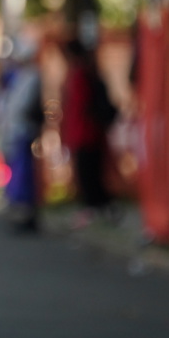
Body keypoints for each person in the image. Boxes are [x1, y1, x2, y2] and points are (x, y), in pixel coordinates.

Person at [61, 37, 116, 225]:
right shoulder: (86, 71)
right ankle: (102, 208)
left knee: (88, 173)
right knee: (91, 173)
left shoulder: (79, 74)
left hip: (85, 132)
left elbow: (82, 105)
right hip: (88, 132)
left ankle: (97, 208)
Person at [0, 37, 43, 232]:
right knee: (17, 173)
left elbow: (23, 107)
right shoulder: (20, 77)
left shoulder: (32, 76)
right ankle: (19, 209)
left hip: (25, 131)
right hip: (16, 131)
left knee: (25, 174)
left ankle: (27, 212)